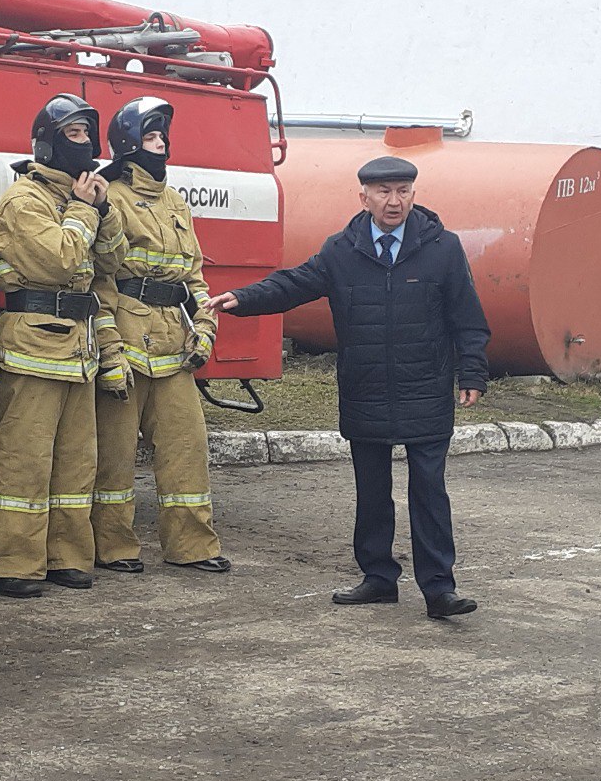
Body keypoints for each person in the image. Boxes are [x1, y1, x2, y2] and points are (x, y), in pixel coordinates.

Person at [205, 155, 489, 619]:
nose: (393, 201)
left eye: (402, 191)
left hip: (426, 388)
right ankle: (378, 578)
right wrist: (245, 298)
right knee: (372, 490)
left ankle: (440, 589)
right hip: (366, 387)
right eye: (383, 192)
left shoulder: (444, 248)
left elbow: (468, 319)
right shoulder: (343, 249)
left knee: (429, 491)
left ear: (414, 195)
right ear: (364, 197)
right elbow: (296, 282)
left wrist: (473, 373)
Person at [0, 94, 127, 598]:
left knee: (74, 464)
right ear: (48, 142)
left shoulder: (84, 198)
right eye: (75, 135)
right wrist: (86, 211)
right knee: (24, 461)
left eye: (89, 135)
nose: (86, 145)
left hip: (79, 350)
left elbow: (110, 263)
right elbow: (61, 261)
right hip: (34, 347)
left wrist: (102, 211)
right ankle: (13, 563)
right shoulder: (26, 200)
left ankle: (66, 556)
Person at [91, 97, 230, 575]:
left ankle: (193, 545)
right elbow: (99, 281)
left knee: (187, 450)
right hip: (126, 342)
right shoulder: (107, 197)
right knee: (113, 459)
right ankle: (113, 547)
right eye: (152, 137)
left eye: (164, 137)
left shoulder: (175, 203)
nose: (162, 145)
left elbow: (194, 278)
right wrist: (109, 351)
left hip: (174, 346)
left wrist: (207, 329)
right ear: (129, 143)